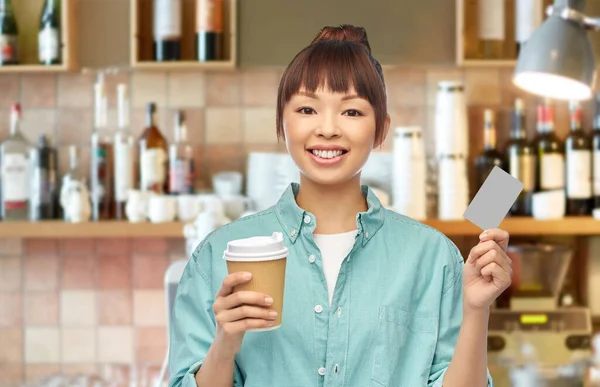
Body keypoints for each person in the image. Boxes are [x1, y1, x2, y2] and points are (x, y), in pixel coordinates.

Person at [169, 24, 512, 387]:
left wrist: (476, 310)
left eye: (351, 112)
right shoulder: (217, 255)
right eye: (306, 109)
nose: (328, 129)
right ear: (281, 124)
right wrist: (225, 343)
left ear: (381, 129)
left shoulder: (433, 257)